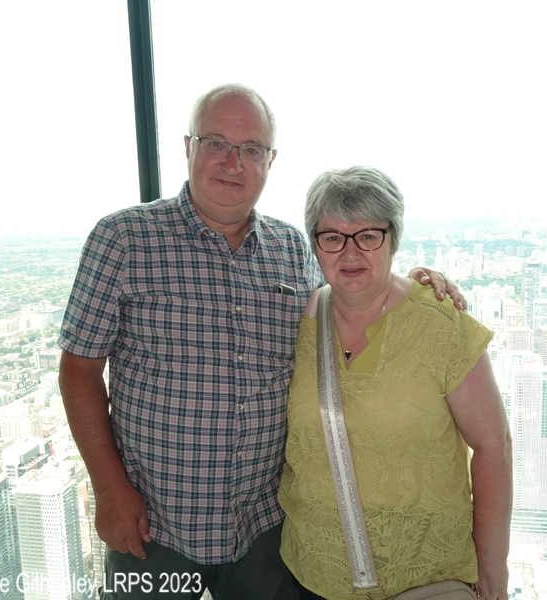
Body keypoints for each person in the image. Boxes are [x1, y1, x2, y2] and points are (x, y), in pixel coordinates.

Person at [58, 84, 466, 600]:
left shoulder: (290, 247)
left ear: (270, 160)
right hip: (153, 523)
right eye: (216, 144)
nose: (233, 162)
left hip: (266, 528)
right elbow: (78, 370)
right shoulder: (123, 239)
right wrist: (108, 488)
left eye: (251, 149)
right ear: (188, 147)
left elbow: (347, 302)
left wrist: (420, 284)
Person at [278, 166, 513, 600]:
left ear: (394, 238)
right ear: (314, 245)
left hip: (426, 577)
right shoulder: (295, 321)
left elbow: (493, 445)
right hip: (311, 576)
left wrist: (492, 568)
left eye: (368, 235)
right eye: (332, 237)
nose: (350, 253)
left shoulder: (441, 324)